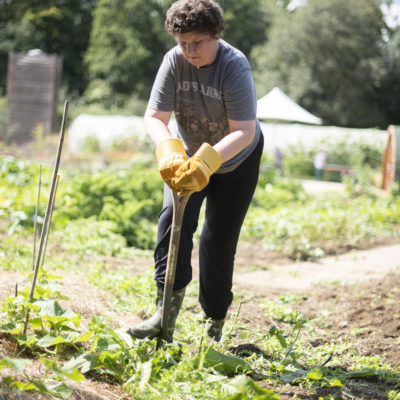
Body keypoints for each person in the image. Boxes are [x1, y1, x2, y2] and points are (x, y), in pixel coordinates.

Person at [127, 0, 264, 342]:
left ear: (216, 34)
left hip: (235, 161)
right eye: (182, 42)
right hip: (187, 155)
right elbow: (154, 117)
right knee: (172, 223)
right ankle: (164, 315)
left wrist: (207, 163)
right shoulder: (173, 61)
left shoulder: (234, 66)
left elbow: (244, 130)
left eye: (196, 43)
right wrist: (169, 152)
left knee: (216, 240)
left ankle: (213, 326)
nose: (189, 51)